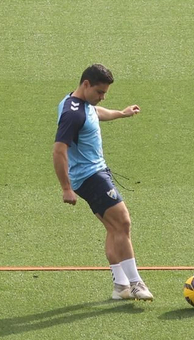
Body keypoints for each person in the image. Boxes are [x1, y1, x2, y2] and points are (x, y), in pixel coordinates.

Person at [52, 64, 151, 301]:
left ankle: (121, 286)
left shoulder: (78, 103)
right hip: (90, 177)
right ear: (86, 84)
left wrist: (122, 113)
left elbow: (96, 113)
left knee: (114, 228)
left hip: (93, 173)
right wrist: (66, 188)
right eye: (100, 92)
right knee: (123, 223)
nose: (102, 97)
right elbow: (58, 151)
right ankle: (136, 283)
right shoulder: (72, 114)